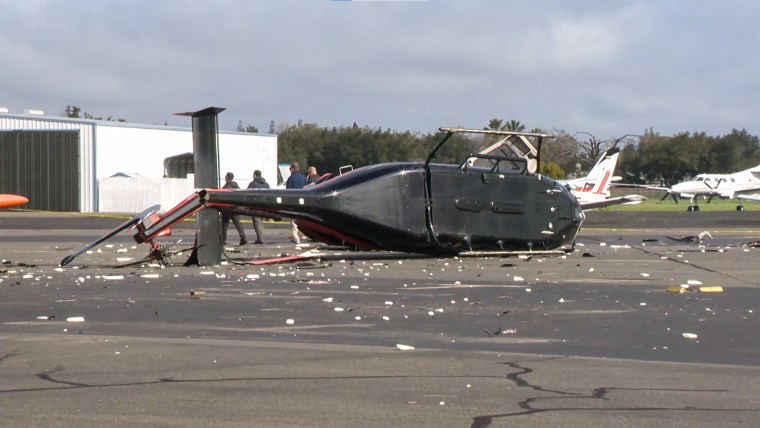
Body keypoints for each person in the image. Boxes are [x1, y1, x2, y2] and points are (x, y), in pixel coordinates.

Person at [221, 172, 247, 245]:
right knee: (238, 223)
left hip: (226, 209)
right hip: (235, 208)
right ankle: (243, 238)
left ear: (227, 177)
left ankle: (223, 240)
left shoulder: (225, 187)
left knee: (224, 225)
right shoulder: (236, 186)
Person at [285, 162, 308, 243]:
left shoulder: (291, 178)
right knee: (302, 220)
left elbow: (288, 192)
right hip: (303, 202)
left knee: (294, 221)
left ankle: (296, 238)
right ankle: (304, 235)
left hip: (294, 202)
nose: (290, 170)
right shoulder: (304, 178)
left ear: (293, 168)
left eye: (290, 169)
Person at [247, 170, 269, 244]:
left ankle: (260, 239)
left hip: (255, 206)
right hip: (264, 205)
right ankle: (261, 237)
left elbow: (247, 194)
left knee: (256, 222)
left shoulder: (252, 184)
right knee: (261, 222)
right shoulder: (266, 184)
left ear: (255, 175)